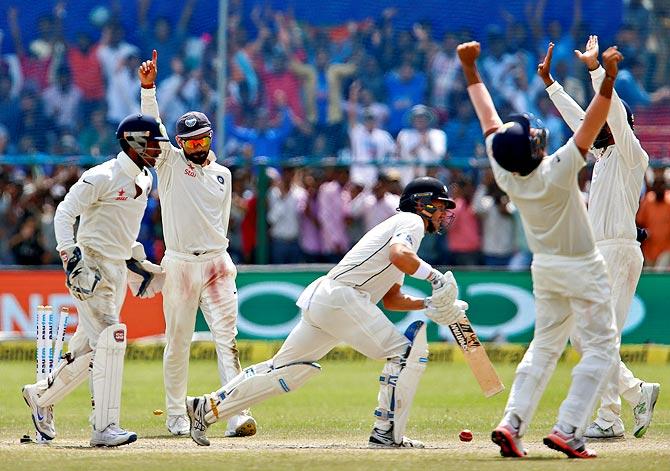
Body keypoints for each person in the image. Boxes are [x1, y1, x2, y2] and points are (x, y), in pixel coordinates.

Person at [185, 177, 468, 448]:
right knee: (405, 354)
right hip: (343, 298)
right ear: (423, 204)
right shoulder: (411, 221)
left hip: (330, 299)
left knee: (284, 371)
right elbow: (398, 255)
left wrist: (429, 304)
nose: (444, 213)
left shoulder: (403, 230)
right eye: (441, 206)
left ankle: (206, 407)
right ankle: (386, 433)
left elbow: (392, 299)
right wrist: (436, 278)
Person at [458, 40, 621, 458]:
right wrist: (608, 79)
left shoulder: (506, 172)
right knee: (601, 348)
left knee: (544, 347)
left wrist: (469, 67)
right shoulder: (559, 169)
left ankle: (512, 424)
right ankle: (569, 429)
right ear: (533, 148)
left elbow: (487, 116)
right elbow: (594, 122)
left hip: (544, 268)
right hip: (583, 266)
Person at [538, 36, 660, 440]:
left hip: (620, 252)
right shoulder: (604, 156)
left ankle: (616, 410)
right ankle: (624, 402)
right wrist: (551, 84)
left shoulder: (631, 155)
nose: (594, 124)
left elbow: (615, 120)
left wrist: (598, 72)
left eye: (601, 117)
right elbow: (580, 121)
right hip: (601, 255)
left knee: (595, 336)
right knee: (588, 336)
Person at [21, 113, 169, 447]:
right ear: (134, 142)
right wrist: (70, 256)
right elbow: (64, 212)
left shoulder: (145, 179)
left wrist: (138, 260)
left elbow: (120, 229)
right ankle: (104, 427)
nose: (159, 151)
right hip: (90, 267)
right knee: (111, 339)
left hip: (116, 268)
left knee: (88, 350)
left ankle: (39, 396)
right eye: (154, 144)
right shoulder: (102, 176)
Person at [138, 50, 256, 438]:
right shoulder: (169, 165)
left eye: (202, 139)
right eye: (189, 143)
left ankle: (236, 414)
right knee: (178, 343)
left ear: (210, 138)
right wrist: (148, 88)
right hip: (180, 266)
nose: (197, 147)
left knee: (228, 341)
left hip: (218, 262)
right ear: (179, 145)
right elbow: (151, 128)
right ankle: (175, 415)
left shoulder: (223, 174)